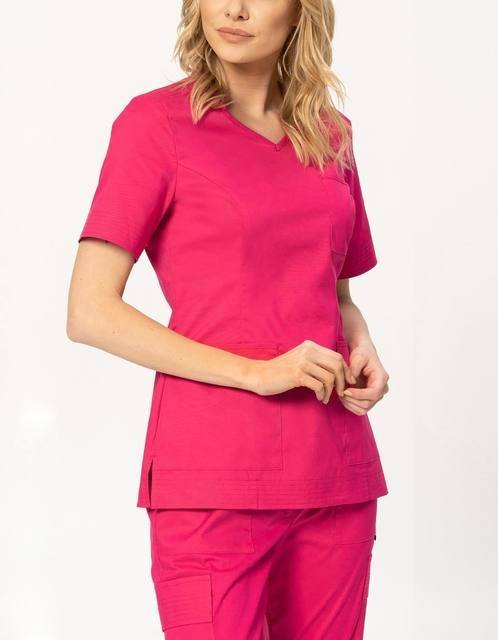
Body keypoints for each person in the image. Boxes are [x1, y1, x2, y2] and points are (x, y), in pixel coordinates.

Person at [67, 0, 390, 637]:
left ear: (301, 13)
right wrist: (257, 373)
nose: (235, 9)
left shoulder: (331, 134)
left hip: (335, 471)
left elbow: (335, 291)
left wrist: (362, 343)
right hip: (213, 476)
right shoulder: (155, 124)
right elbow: (89, 310)